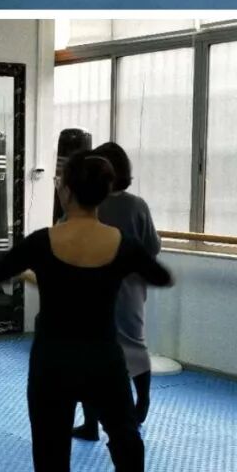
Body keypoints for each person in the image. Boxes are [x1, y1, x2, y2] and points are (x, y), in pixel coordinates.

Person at [0, 150, 173, 472]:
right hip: (104, 360)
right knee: (128, 445)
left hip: (52, 362)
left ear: (66, 191)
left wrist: (15, 275)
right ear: (104, 192)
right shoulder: (121, 243)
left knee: (50, 457)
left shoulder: (42, 241)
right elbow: (160, 276)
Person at [73, 142, 161, 441]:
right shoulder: (136, 205)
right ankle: (141, 404)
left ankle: (90, 423)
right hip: (129, 287)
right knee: (133, 344)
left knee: (89, 352)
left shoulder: (87, 205)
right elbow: (152, 247)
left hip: (91, 286)